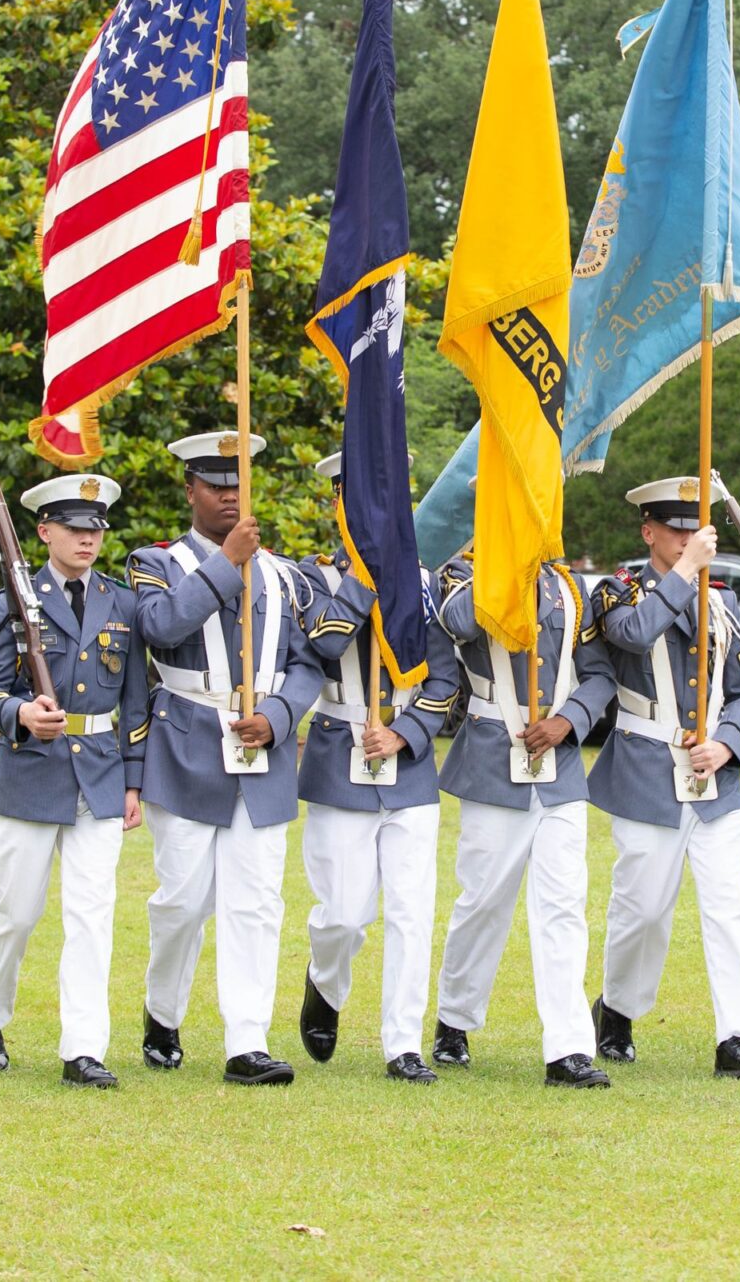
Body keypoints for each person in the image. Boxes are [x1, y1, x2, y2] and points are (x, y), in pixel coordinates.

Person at [130, 432, 325, 1087]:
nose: (230, 495)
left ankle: (248, 1040)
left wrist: (278, 717)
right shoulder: (155, 563)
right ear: (190, 490)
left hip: (260, 746)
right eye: (216, 485)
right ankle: (163, 1014)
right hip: (187, 740)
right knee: (183, 900)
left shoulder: (283, 572)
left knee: (257, 900)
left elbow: (306, 662)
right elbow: (159, 628)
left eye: (238, 483)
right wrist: (225, 564)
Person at [586, 478, 740, 1080]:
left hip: (715, 779)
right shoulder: (618, 593)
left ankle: (736, 1037)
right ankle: (616, 1008)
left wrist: (729, 741)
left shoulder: (721, 601)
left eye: (696, 529)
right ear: (649, 533)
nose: (689, 539)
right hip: (646, 768)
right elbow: (635, 636)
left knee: (729, 908)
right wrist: (685, 571)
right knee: (642, 910)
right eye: (675, 529)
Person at [0, 474, 144, 1085]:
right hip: (31, 771)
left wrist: (134, 781)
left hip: (99, 768)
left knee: (92, 913)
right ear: (44, 532)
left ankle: (83, 1048)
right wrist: (19, 713)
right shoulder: (9, 601)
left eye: (95, 528)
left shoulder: (121, 601)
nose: (87, 539)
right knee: (13, 912)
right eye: (74, 528)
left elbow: (138, 702)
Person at [292, 452, 460, 1083]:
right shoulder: (312, 579)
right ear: (341, 506)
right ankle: (325, 983)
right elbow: (322, 644)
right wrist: (367, 577)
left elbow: (445, 677)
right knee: (343, 914)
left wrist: (408, 731)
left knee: (412, 911)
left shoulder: (423, 582)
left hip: (407, 766)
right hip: (341, 757)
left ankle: (402, 1044)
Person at [431, 535, 616, 1087]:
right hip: (492, 755)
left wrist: (571, 721)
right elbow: (460, 621)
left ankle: (569, 1049)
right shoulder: (461, 574)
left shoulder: (568, 586)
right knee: (484, 900)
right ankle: (454, 1018)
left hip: (558, 766)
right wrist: (507, 562)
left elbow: (600, 674)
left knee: (563, 904)